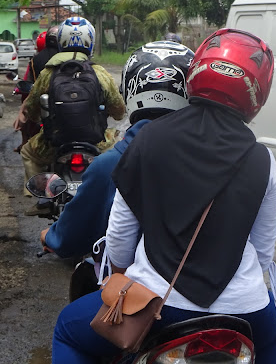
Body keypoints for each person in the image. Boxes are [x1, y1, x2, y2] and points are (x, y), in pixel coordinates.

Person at [51, 29, 276, 363]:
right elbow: (262, 254)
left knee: (68, 330)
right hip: (246, 312)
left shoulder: (147, 142)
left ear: (195, 74)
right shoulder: (262, 160)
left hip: (158, 307)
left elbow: (119, 237)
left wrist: (122, 280)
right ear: (258, 94)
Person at [39, 41, 194, 257]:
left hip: (128, 279)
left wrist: (52, 236)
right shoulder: (213, 156)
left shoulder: (110, 165)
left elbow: (72, 237)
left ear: (131, 88)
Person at [15, 17, 125, 196]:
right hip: (97, 141)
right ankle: (113, 196)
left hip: (55, 143)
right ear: (90, 42)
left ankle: (41, 199)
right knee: (119, 153)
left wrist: (35, 118)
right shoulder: (100, 73)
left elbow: (32, 106)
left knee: (28, 152)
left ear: (61, 42)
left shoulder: (48, 73)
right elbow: (119, 111)